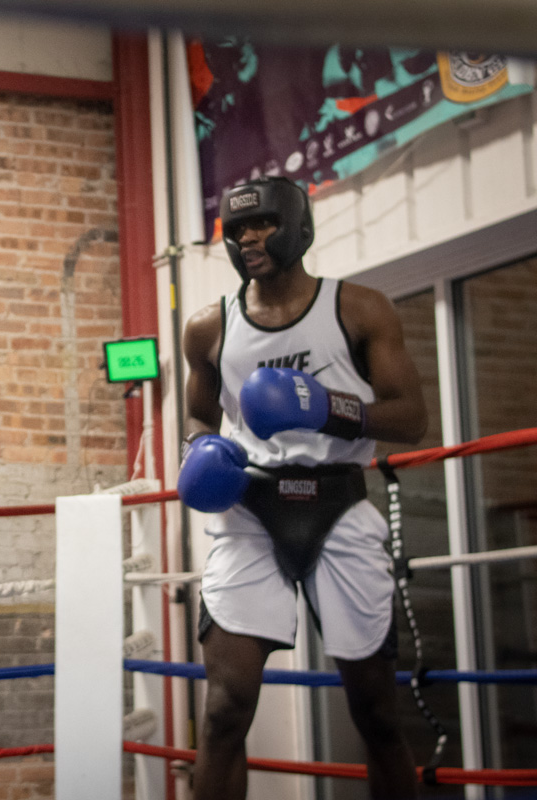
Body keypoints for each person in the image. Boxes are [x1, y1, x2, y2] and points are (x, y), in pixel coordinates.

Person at [177, 176, 426, 799]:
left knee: (376, 714)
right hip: (250, 509)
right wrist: (200, 450)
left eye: (260, 224)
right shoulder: (209, 327)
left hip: (339, 505)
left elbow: (413, 419)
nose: (248, 239)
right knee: (224, 713)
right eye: (235, 230)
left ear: (297, 226)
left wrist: (326, 407)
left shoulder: (360, 309)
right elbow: (200, 415)